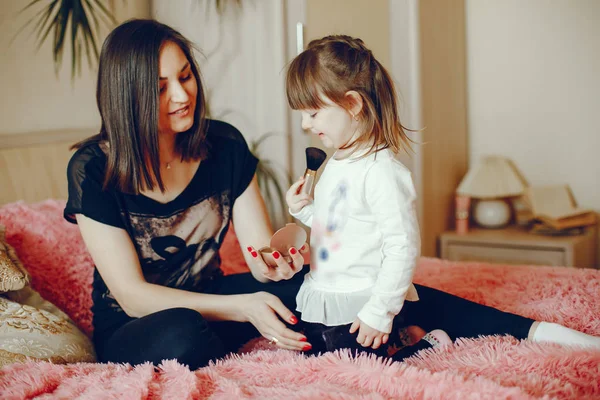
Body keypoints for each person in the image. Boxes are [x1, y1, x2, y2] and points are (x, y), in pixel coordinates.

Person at [284, 35, 600, 360]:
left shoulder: (381, 172)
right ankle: (409, 334)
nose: (306, 125)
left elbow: (401, 246)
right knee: (313, 355)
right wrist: (306, 211)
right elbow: (341, 227)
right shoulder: (336, 161)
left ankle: (425, 344)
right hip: (328, 292)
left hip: (363, 299)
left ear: (352, 104)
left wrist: (379, 311)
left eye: (313, 113)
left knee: (353, 366)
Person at [64, 19, 313, 370]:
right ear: (128, 97)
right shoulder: (92, 169)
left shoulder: (225, 146)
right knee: (183, 330)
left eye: (185, 76)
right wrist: (244, 307)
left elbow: (259, 256)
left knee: (316, 284)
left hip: (210, 297)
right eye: (160, 87)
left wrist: (275, 265)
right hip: (139, 325)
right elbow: (132, 297)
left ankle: (414, 312)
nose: (182, 96)